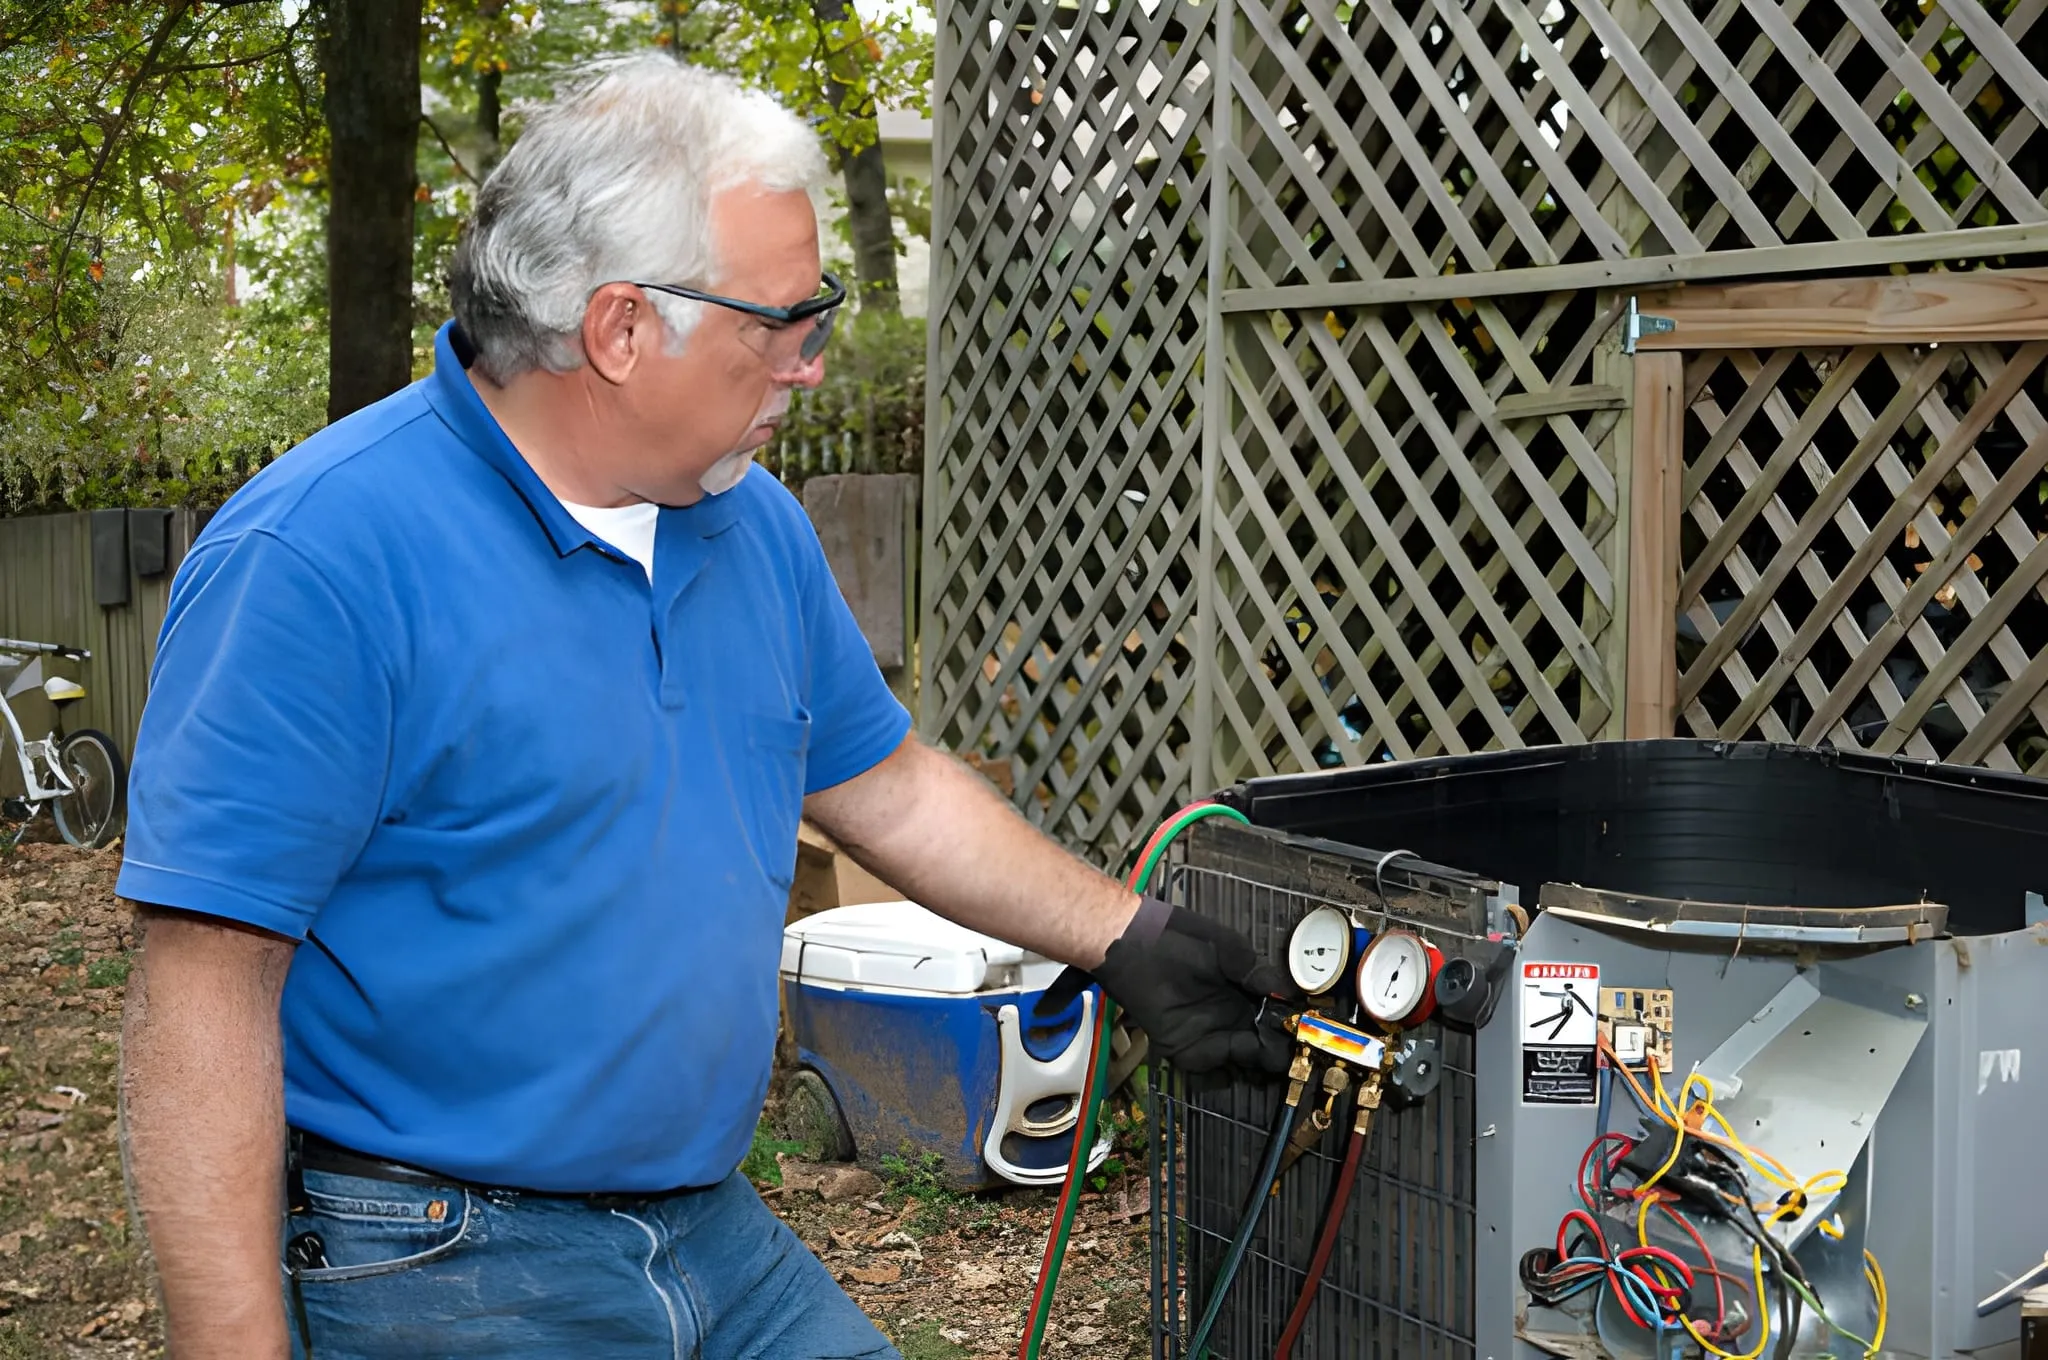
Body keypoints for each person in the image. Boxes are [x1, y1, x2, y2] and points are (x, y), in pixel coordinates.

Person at [116, 57, 1291, 1360]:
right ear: (622, 330)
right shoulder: (322, 559)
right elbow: (204, 993)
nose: (812, 364)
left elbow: (883, 784)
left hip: (709, 1229)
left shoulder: (749, 525)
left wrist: (1125, 936)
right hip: (441, 1255)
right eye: (782, 322)